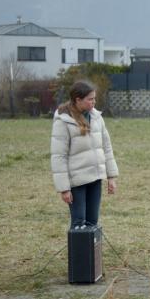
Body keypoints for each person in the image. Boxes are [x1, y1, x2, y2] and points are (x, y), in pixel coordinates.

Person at [51, 80, 119, 229]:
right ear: (78, 100)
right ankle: (78, 253)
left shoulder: (97, 117)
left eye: (94, 98)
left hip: (95, 178)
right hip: (77, 182)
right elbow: (59, 156)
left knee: (92, 223)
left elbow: (106, 147)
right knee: (78, 224)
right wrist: (64, 188)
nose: (94, 102)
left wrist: (111, 177)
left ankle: (91, 253)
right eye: (90, 99)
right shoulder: (63, 121)